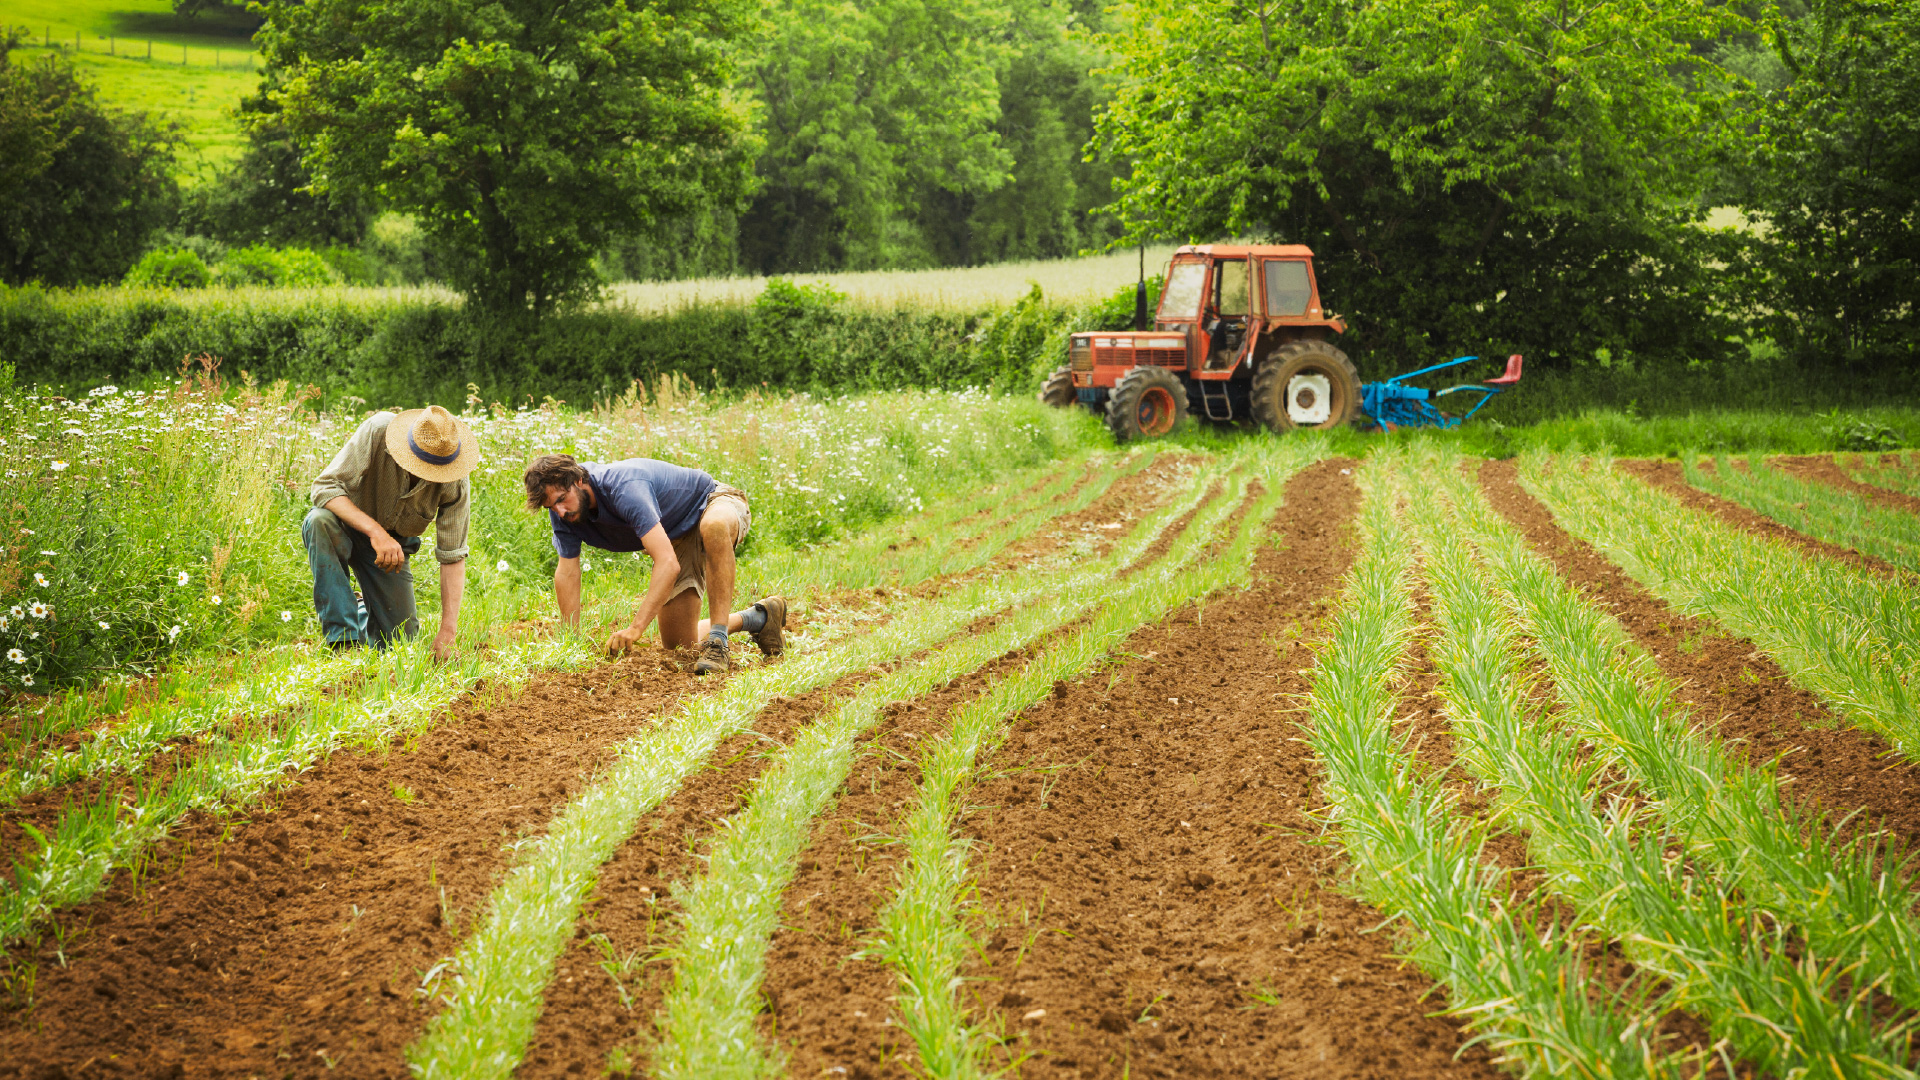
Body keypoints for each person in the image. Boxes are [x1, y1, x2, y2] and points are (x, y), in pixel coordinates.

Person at [522, 454, 787, 674]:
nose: (560, 512)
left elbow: (667, 563)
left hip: (712, 502)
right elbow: (567, 572)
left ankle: (718, 642)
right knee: (679, 645)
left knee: (714, 526)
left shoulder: (624, 487)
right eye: (550, 507)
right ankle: (760, 618)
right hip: (674, 534)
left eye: (560, 500)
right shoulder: (565, 515)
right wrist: (571, 641)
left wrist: (636, 627)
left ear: (579, 480)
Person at [304, 405, 475, 659]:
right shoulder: (377, 430)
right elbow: (324, 488)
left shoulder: (456, 481)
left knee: (399, 646)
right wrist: (376, 532)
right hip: (346, 526)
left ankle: (362, 609)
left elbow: (452, 555)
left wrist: (448, 632)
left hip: (392, 550)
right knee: (319, 520)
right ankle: (343, 641)